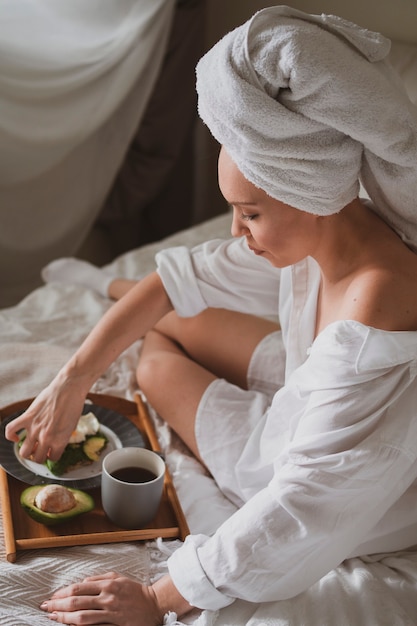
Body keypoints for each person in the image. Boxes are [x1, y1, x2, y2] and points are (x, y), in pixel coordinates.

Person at [5, 5, 417, 625]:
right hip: (311, 389)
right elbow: (182, 276)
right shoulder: (343, 226)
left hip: (332, 478)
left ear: (305, 191)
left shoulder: (373, 315)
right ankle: (104, 283)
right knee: (170, 312)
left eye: (249, 214)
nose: (238, 232)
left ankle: (117, 303)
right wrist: (75, 378)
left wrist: (156, 597)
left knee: (154, 363)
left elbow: (303, 508)